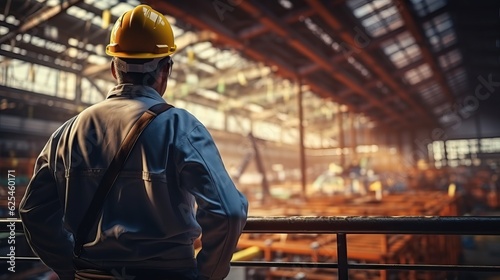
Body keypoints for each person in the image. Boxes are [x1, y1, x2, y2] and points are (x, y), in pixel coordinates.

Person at [19, 4, 248, 280]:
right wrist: (207, 275)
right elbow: (228, 211)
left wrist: (70, 267)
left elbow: (32, 211)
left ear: (114, 69)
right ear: (166, 69)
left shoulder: (67, 133)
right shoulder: (181, 128)